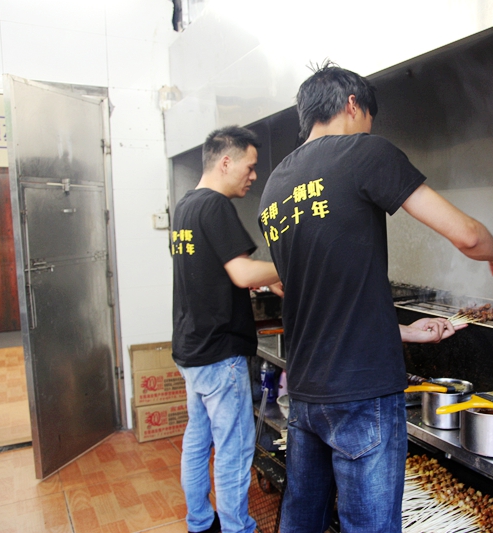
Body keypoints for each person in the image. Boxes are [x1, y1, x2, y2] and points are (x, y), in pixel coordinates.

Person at [257, 63, 493, 533]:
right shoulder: (364, 152)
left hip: (307, 391)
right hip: (362, 393)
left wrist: (402, 331)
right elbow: (466, 235)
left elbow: (317, 296)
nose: (369, 128)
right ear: (353, 105)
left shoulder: (273, 188)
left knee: (302, 522)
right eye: (369, 118)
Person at [172, 126, 282, 533]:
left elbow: (215, 270)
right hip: (221, 353)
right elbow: (240, 272)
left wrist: (266, 279)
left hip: (192, 349)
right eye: (250, 167)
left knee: (198, 443)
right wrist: (293, 265)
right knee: (234, 450)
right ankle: (238, 529)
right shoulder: (215, 206)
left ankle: (200, 523)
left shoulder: (186, 205)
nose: (253, 176)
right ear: (226, 162)